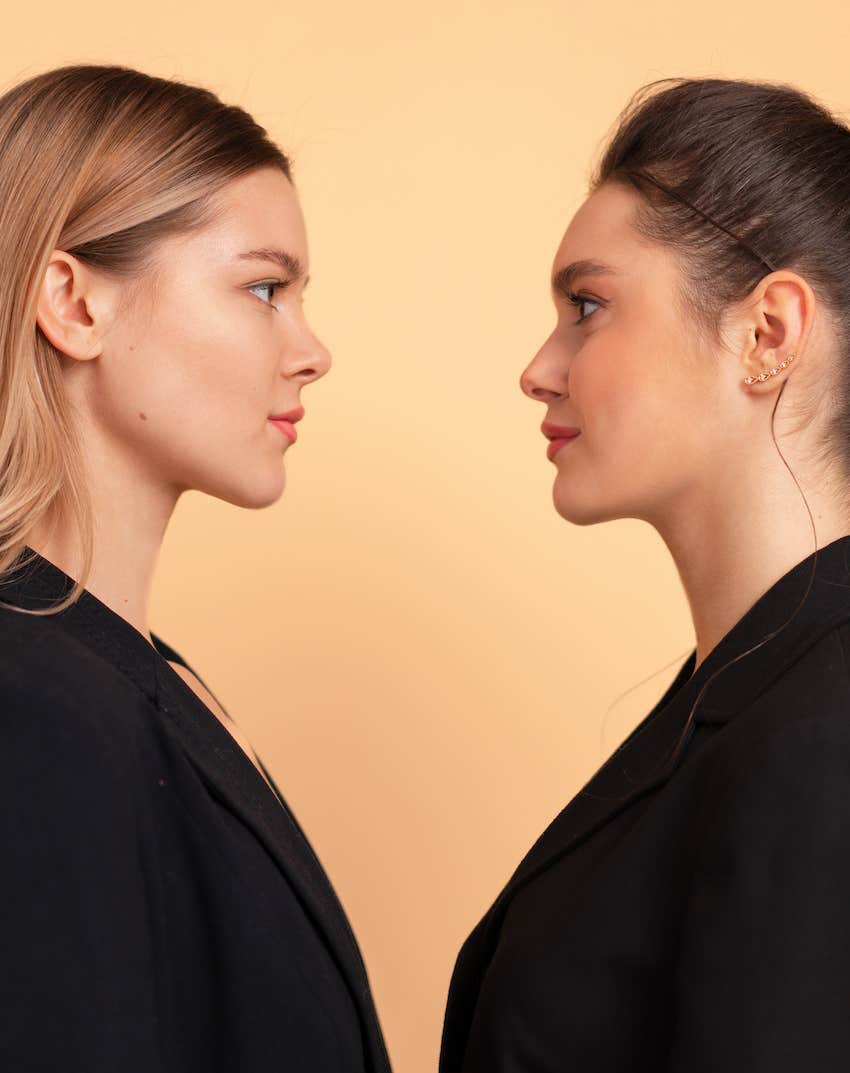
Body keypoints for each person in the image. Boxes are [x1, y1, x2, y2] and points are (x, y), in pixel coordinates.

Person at [440, 76, 850, 1073]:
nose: (539, 366)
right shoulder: (740, 702)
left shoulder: (817, 737)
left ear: (765, 333)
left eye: (587, 305)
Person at [0, 63, 391, 1073]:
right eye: (263, 287)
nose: (312, 350)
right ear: (73, 303)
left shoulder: (132, 675)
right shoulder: (32, 703)